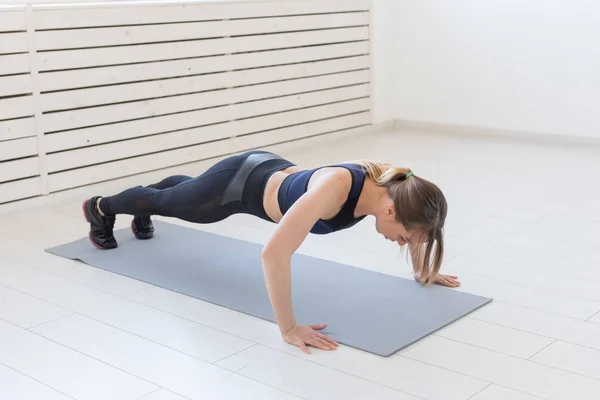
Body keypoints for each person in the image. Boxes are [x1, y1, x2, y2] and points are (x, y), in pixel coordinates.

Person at [82, 150, 459, 354]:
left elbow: (417, 223)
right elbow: (273, 254)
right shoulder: (335, 190)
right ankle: (100, 208)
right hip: (238, 184)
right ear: (391, 211)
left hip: (267, 171)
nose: (403, 243)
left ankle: (156, 201)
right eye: (404, 238)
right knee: (172, 203)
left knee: (181, 199)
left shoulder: (395, 189)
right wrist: (289, 328)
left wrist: (424, 270)